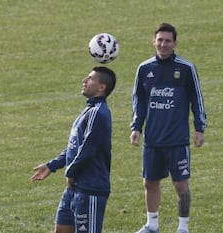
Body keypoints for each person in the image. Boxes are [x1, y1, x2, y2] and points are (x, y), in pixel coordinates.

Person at [130, 23, 206, 233]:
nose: (163, 44)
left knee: (181, 185)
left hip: (177, 140)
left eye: (168, 41)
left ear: (175, 43)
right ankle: (152, 225)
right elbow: (139, 100)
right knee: (150, 183)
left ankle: (183, 228)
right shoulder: (144, 69)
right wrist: (136, 127)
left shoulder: (185, 68)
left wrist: (200, 128)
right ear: (153, 41)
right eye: (160, 40)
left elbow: (196, 99)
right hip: (153, 139)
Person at [31, 66, 116, 233]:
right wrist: (51, 165)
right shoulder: (89, 111)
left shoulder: (99, 113)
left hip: (90, 189)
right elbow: (74, 147)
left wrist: (70, 172)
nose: (84, 81)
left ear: (101, 87)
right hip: (74, 189)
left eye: (90, 78)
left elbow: (88, 149)